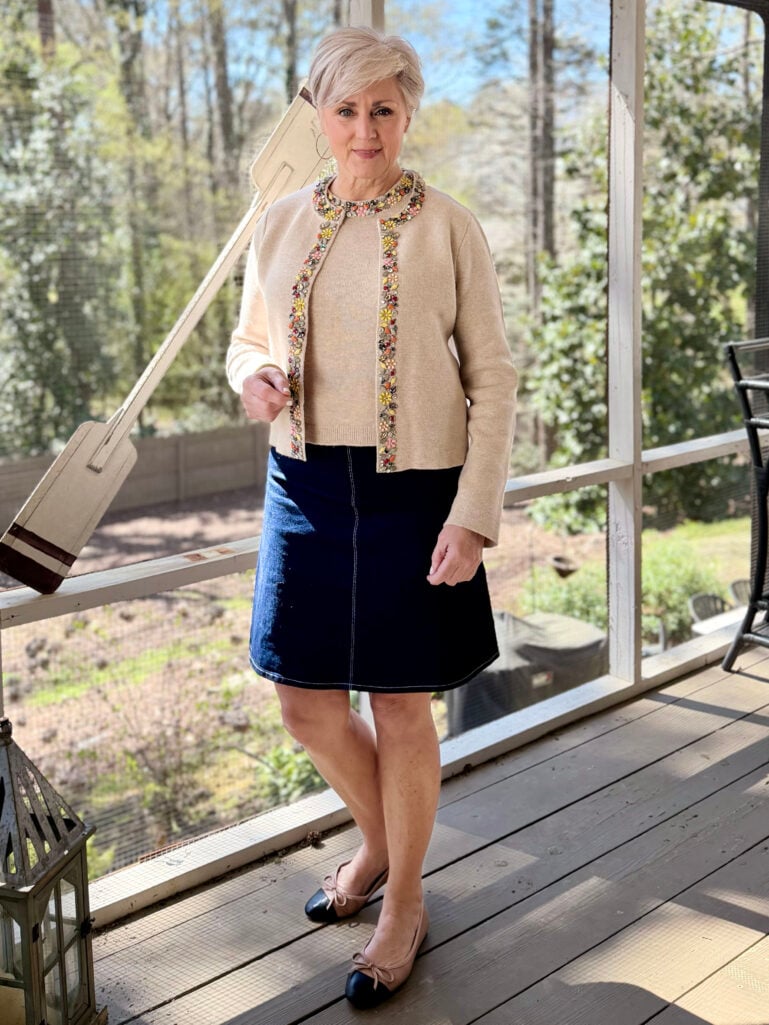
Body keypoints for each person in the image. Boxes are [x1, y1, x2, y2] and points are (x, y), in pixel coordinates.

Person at [226, 26, 517, 1009]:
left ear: (408, 112)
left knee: (400, 703)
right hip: (303, 484)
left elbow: (493, 376)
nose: (364, 129)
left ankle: (402, 899)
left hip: (414, 490)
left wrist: (473, 513)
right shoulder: (278, 224)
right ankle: (386, 842)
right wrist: (252, 377)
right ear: (318, 114)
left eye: (382, 108)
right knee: (302, 701)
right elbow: (245, 341)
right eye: (346, 110)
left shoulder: (450, 226)